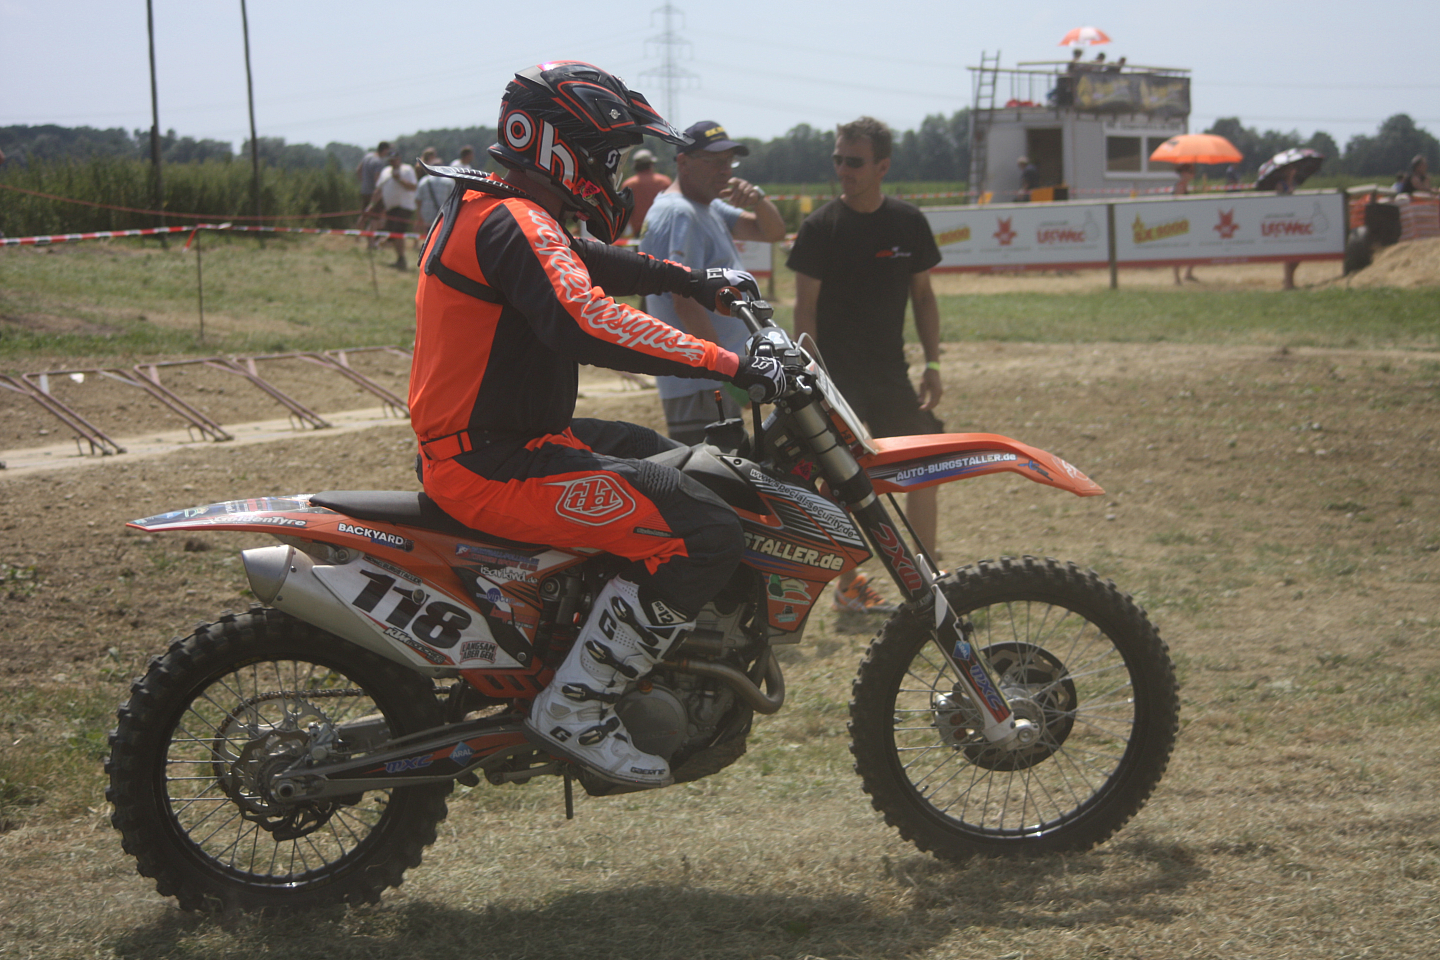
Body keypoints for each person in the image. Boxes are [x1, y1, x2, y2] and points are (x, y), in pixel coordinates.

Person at [408, 61, 783, 788]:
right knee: (705, 533)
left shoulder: (496, 210)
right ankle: (575, 707)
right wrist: (732, 365)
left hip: (503, 443)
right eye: (604, 155)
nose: (611, 172)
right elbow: (585, 317)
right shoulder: (514, 220)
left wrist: (690, 281)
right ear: (560, 147)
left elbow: (584, 263)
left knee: (672, 462)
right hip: (489, 465)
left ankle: (604, 650)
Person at [788, 116, 944, 615]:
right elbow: (805, 310)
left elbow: (924, 297)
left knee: (923, 468)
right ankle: (848, 586)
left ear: (882, 166)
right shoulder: (820, 228)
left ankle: (927, 577)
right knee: (839, 482)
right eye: (838, 159)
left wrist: (933, 363)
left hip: (892, 375)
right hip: (835, 381)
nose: (843, 170)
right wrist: (812, 377)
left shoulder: (908, 222)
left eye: (854, 161)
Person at [638, 121, 786, 443]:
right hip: (703, 383)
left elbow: (773, 232)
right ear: (683, 162)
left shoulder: (706, 206)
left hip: (711, 379)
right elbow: (685, 301)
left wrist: (758, 199)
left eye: (729, 162)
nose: (725, 171)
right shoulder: (681, 213)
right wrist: (730, 372)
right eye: (715, 161)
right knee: (711, 471)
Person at [372, 153, 417, 269]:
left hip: (404, 207)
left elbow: (413, 187)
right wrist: (371, 205)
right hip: (390, 208)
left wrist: (399, 179)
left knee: (397, 232)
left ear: (399, 159)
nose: (392, 162)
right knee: (393, 233)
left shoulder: (407, 170)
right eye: (390, 160)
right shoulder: (385, 171)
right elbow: (379, 189)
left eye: (394, 160)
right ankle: (399, 258)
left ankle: (401, 259)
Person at [620, 149, 671, 238]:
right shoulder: (664, 182)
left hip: (639, 232)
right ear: (651, 164)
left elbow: (624, 212)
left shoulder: (629, 184)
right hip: (662, 230)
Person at [355, 141, 391, 232]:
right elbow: (377, 179)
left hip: (364, 190)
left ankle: (357, 235)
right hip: (374, 193)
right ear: (385, 150)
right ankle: (371, 238)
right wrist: (379, 192)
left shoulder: (367, 156)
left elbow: (358, 170)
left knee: (364, 215)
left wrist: (364, 182)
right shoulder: (379, 162)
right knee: (375, 217)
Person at [1172, 164, 1198, 284]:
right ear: (1184, 173)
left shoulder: (1185, 186)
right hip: (1180, 223)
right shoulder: (1180, 186)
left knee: (1194, 247)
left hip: (1187, 222)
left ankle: (1188, 273)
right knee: (1179, 250)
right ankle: (1177, 278)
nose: (1192, 175)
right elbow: (1178, 204)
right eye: (1190, 172)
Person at [1277, 165, 1301, 290]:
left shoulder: (1295, 184)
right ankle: (1288, 283)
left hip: (1295, 219)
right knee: (1288, 253)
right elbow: (1279, 200)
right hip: (1284, 220)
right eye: (1290, 169)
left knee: (1298, 255)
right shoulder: (1280, 184)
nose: (1292, 171)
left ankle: (1288, 279)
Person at [415, 154, 453, 231]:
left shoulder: (423, 181)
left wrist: (419, 217)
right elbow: (453, 200)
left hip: (427, 217)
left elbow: (418, 201)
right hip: (443, 217)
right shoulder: (449, 182)